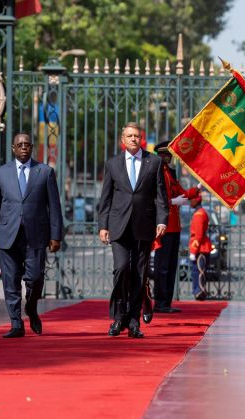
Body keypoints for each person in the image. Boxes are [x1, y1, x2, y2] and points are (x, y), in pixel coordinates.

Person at [0, 133, 63, 338]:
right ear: (13, 148)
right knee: (10, 281)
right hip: (7, 235)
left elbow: (54, 207)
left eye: (27, 145)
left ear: (32, 148)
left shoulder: (45, 172)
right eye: (19, 145)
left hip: (36, 235)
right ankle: (16, 323)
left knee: (36, 278)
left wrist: (56, 235)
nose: (23, 148)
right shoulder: (2, 173)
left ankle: (32, 306)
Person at [98, 122, 168, 338]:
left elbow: (161, 196)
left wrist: (162, 220)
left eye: (137, 136)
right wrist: (103, 226)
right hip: (118, 226)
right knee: (121, 269)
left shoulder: (154, 162)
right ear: (123, 139)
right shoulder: (113, 164)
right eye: (129, 136)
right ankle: (118, 317)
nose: (133, 139)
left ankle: (134, 321)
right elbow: (106, 198)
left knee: (139, 273)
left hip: (144, 226)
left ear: (141, 139)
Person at [152, 140, 200, 314]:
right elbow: (157, 197)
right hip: (164, 225)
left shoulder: (170, 174)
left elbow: (181, 193)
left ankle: (166, 301)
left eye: (169, 155)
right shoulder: (157, 172)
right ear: (160, 156)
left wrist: (198, 187)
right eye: (165, 155)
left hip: (174, 226)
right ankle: (159, 302)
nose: (168, 158)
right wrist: (173, 201)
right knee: (162, 266)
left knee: (171, 266)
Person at [188, 194, 212, 301]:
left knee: (198, 272)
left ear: (196, 201)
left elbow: (198, 235)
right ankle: (199, 291)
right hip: (201, 247)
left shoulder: (199, 215)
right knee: (199, 271)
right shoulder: (201, 212)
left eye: (191, 200)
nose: (190, 202)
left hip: (200, 248)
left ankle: (199, 292)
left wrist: (193, 251)